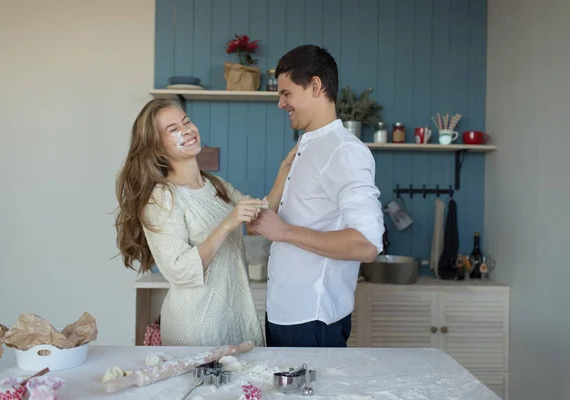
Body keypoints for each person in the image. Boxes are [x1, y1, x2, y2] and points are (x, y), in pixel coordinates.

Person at [115, 98, 296, 347]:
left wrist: (285, 171)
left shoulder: (216, 186)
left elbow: (261, 216)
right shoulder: (161, 198)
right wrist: (226, 224)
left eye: (186, 121)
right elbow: (180, 270)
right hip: (196, 327)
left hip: (236, 317)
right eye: (173, 129)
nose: (187, 130)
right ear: (157, 148)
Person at [250, 45, 385, 348]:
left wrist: (282, 232)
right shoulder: (306, 147)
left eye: (286, 93)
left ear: (315, 86)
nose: (280, 104)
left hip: (313, 319)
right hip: (284, 313)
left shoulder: (344, 151)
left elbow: (367, 243)